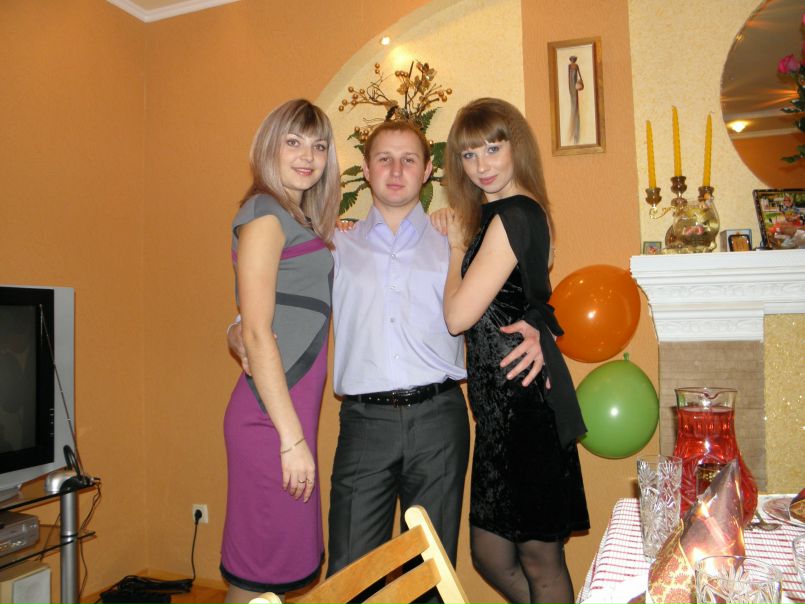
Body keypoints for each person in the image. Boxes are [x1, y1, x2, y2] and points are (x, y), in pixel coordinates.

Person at [228, 118, 547, 583]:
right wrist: (237, 328)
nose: (396, 170)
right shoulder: (332, 244)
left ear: (427, 172)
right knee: (351, 574)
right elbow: (279, 297)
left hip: (439, 420)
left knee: (430, 573)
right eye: (384, 159)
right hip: (364, 423)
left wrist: (538, 325)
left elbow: (522, 281)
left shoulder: (458, 239)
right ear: (366, 169)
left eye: (409, 160)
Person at [438, 97, 589, 604]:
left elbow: (457, 317)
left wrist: (455, 248)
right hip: (501, 411)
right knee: (492, 554)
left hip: (521, 408)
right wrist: (539, 325)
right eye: (468, 154)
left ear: (516, 147)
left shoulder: (513, 214)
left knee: (539, 561)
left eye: (492, 148)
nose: (481, 165)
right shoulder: (507, 213)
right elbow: (532, 299)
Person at [220, 99, 340, 604]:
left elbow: (257, 317)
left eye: (318, 145)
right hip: (270, 422)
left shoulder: (294, 218)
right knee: (256, 576)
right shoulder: (266, 214)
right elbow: (256, 331)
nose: (307, 156)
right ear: (269, 147)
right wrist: (291, 442)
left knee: (272, 572)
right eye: (293, 142)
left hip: (285, 415)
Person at [567, 56, 583, 145]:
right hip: (571, 85)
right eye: (572, 59)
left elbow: (579, 75)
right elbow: (568, 76)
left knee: (575, 102)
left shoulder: (576, 66)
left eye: (573, 59)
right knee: (573, 101)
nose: (573, 61)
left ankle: (576, 136)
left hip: (575, 86)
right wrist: (569, 87)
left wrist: (580, 82)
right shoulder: (569, 66)